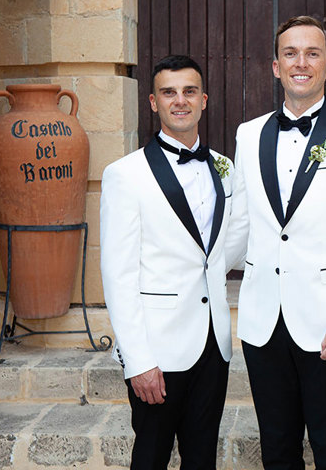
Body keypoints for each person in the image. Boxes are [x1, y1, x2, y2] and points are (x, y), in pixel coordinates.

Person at [224, 16, 326, 469]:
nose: (301, 63)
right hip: (263, 322)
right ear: (275, 66)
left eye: (312, 53)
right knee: (277, 450)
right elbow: (243, 226)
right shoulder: (248, 134)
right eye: (291, 53)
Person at [100, 55, 234, 470]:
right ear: (154, 103)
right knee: (151, 457)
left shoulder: (224, 169)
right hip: (157, 348)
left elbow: (228, 247)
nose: (181, 100)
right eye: (169, 92)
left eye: (189, 91)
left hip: (213, 345)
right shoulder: (125, 174)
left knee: (202, 459)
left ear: (204, 100)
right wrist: (138, 360)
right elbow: (118, 275)